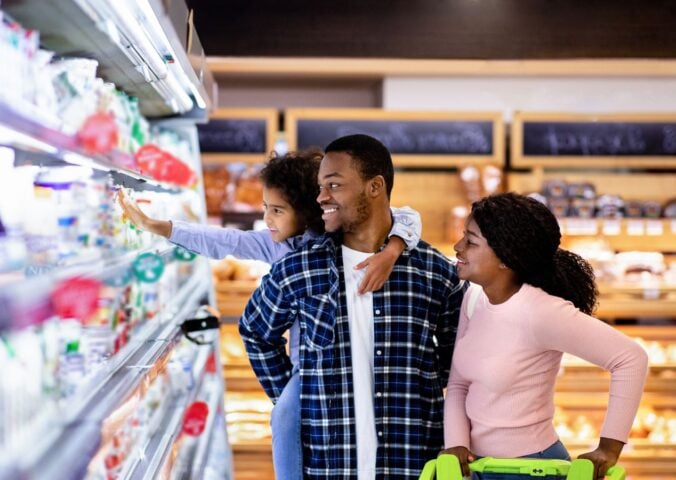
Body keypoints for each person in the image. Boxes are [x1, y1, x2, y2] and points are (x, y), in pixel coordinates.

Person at [116, 149, 423, 480]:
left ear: (308, 212)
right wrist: (158, 226)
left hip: (365, 358)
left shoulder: (345, 236)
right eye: (266, 209)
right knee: (286, 415)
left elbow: (407, 217)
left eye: (277, 210)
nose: (268, 219)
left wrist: (393, 250)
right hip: (309, 369)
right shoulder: (278, 246)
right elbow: (225, 241)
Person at [239, 134, 466, 479]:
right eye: (320, 186)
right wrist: (295, 397)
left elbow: (458, 357)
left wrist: (419, 390)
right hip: (328, 466)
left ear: (375, 187)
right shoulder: (300, 268)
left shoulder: (435, 273)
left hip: (412, 462)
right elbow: (256, 331)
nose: (321, 197)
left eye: (334, 185)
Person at [441, 192, 649, 480]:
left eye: (471, 242)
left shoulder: (541, 312)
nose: (457, 247)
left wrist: (609, 448)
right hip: (479, 469)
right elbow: (459, 385)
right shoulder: (475, 300)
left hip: (530, 469)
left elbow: (631, 358)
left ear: (505, 258)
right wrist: (456, 446)